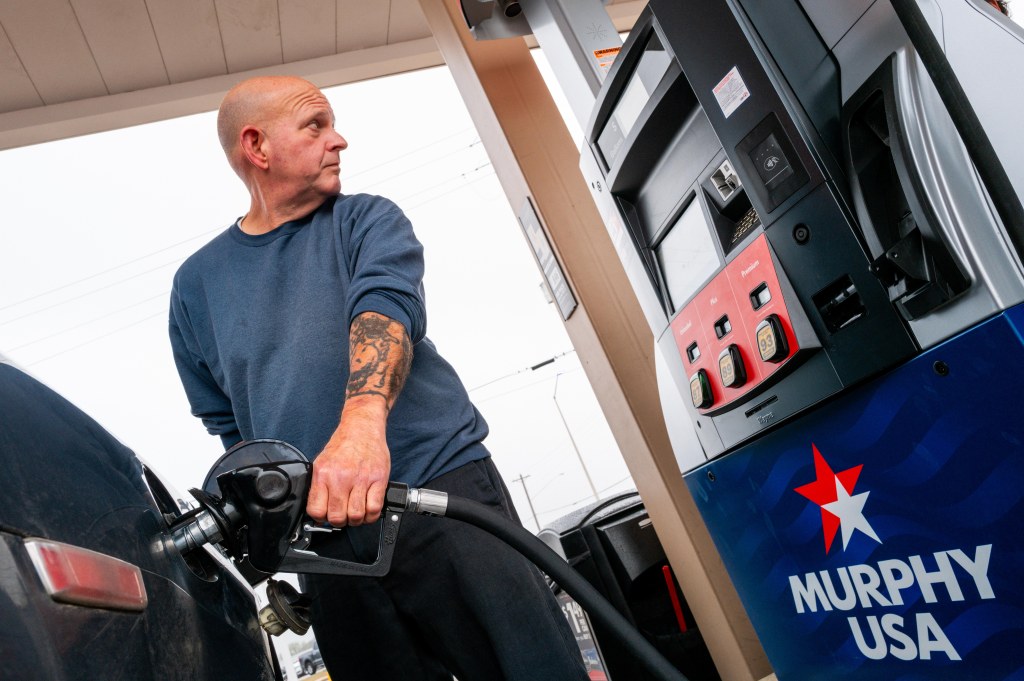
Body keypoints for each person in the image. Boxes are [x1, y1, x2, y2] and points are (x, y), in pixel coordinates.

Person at [168, 75, 587, 681]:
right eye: (315, 126)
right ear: (256, 146)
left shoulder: (365, 220)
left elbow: (385, 311)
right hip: (323, 544)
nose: (338, 140)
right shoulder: (195, 286)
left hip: (437, 492)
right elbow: (231, 427)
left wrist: (361, 429)